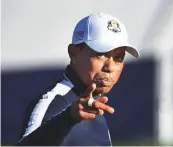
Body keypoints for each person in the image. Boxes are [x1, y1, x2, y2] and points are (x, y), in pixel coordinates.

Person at [17, 12, 139, 146]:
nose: (110, 67)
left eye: (119, 57)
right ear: (74, 52)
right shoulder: (53, 102)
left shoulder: (96, 106)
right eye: (100, 54)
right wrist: (68, 118)